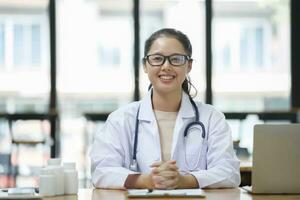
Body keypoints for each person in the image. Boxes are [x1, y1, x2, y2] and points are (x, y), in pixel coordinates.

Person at [90, 28, 240, 189]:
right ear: (145, 65)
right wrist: (145, 180)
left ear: (188, 66)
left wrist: (184, 181)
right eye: (157, 58)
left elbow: (229, 172)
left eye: (176, 59)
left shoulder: (211, 118)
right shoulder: (120, 119)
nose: (166, 66)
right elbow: (101, 170)